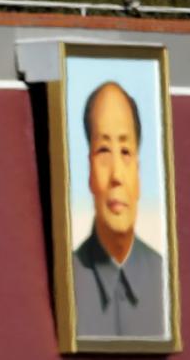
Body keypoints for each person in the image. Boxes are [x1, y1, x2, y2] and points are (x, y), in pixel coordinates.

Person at [73, 81, 164, 337]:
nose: (116, 175)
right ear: (89, 171)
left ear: (138, 172)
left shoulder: (166, 280)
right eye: (103, 150)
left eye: (125, 152)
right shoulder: (68, 281)